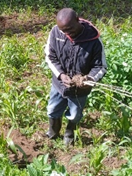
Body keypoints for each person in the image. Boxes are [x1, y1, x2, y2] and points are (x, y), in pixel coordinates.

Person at [44, 8, 107, 146]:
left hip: (80, 89)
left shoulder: (93, 40)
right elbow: (50, 56)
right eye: (64, 31)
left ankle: (69, 133)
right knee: (52, 109)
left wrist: (89, 79)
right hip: (59, 85)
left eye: (70, 29)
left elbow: (100, 67)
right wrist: (61, 75)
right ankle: (53, 132)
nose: (68, 34)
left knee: (75, 113)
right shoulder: (55, 32)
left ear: (78, 20)